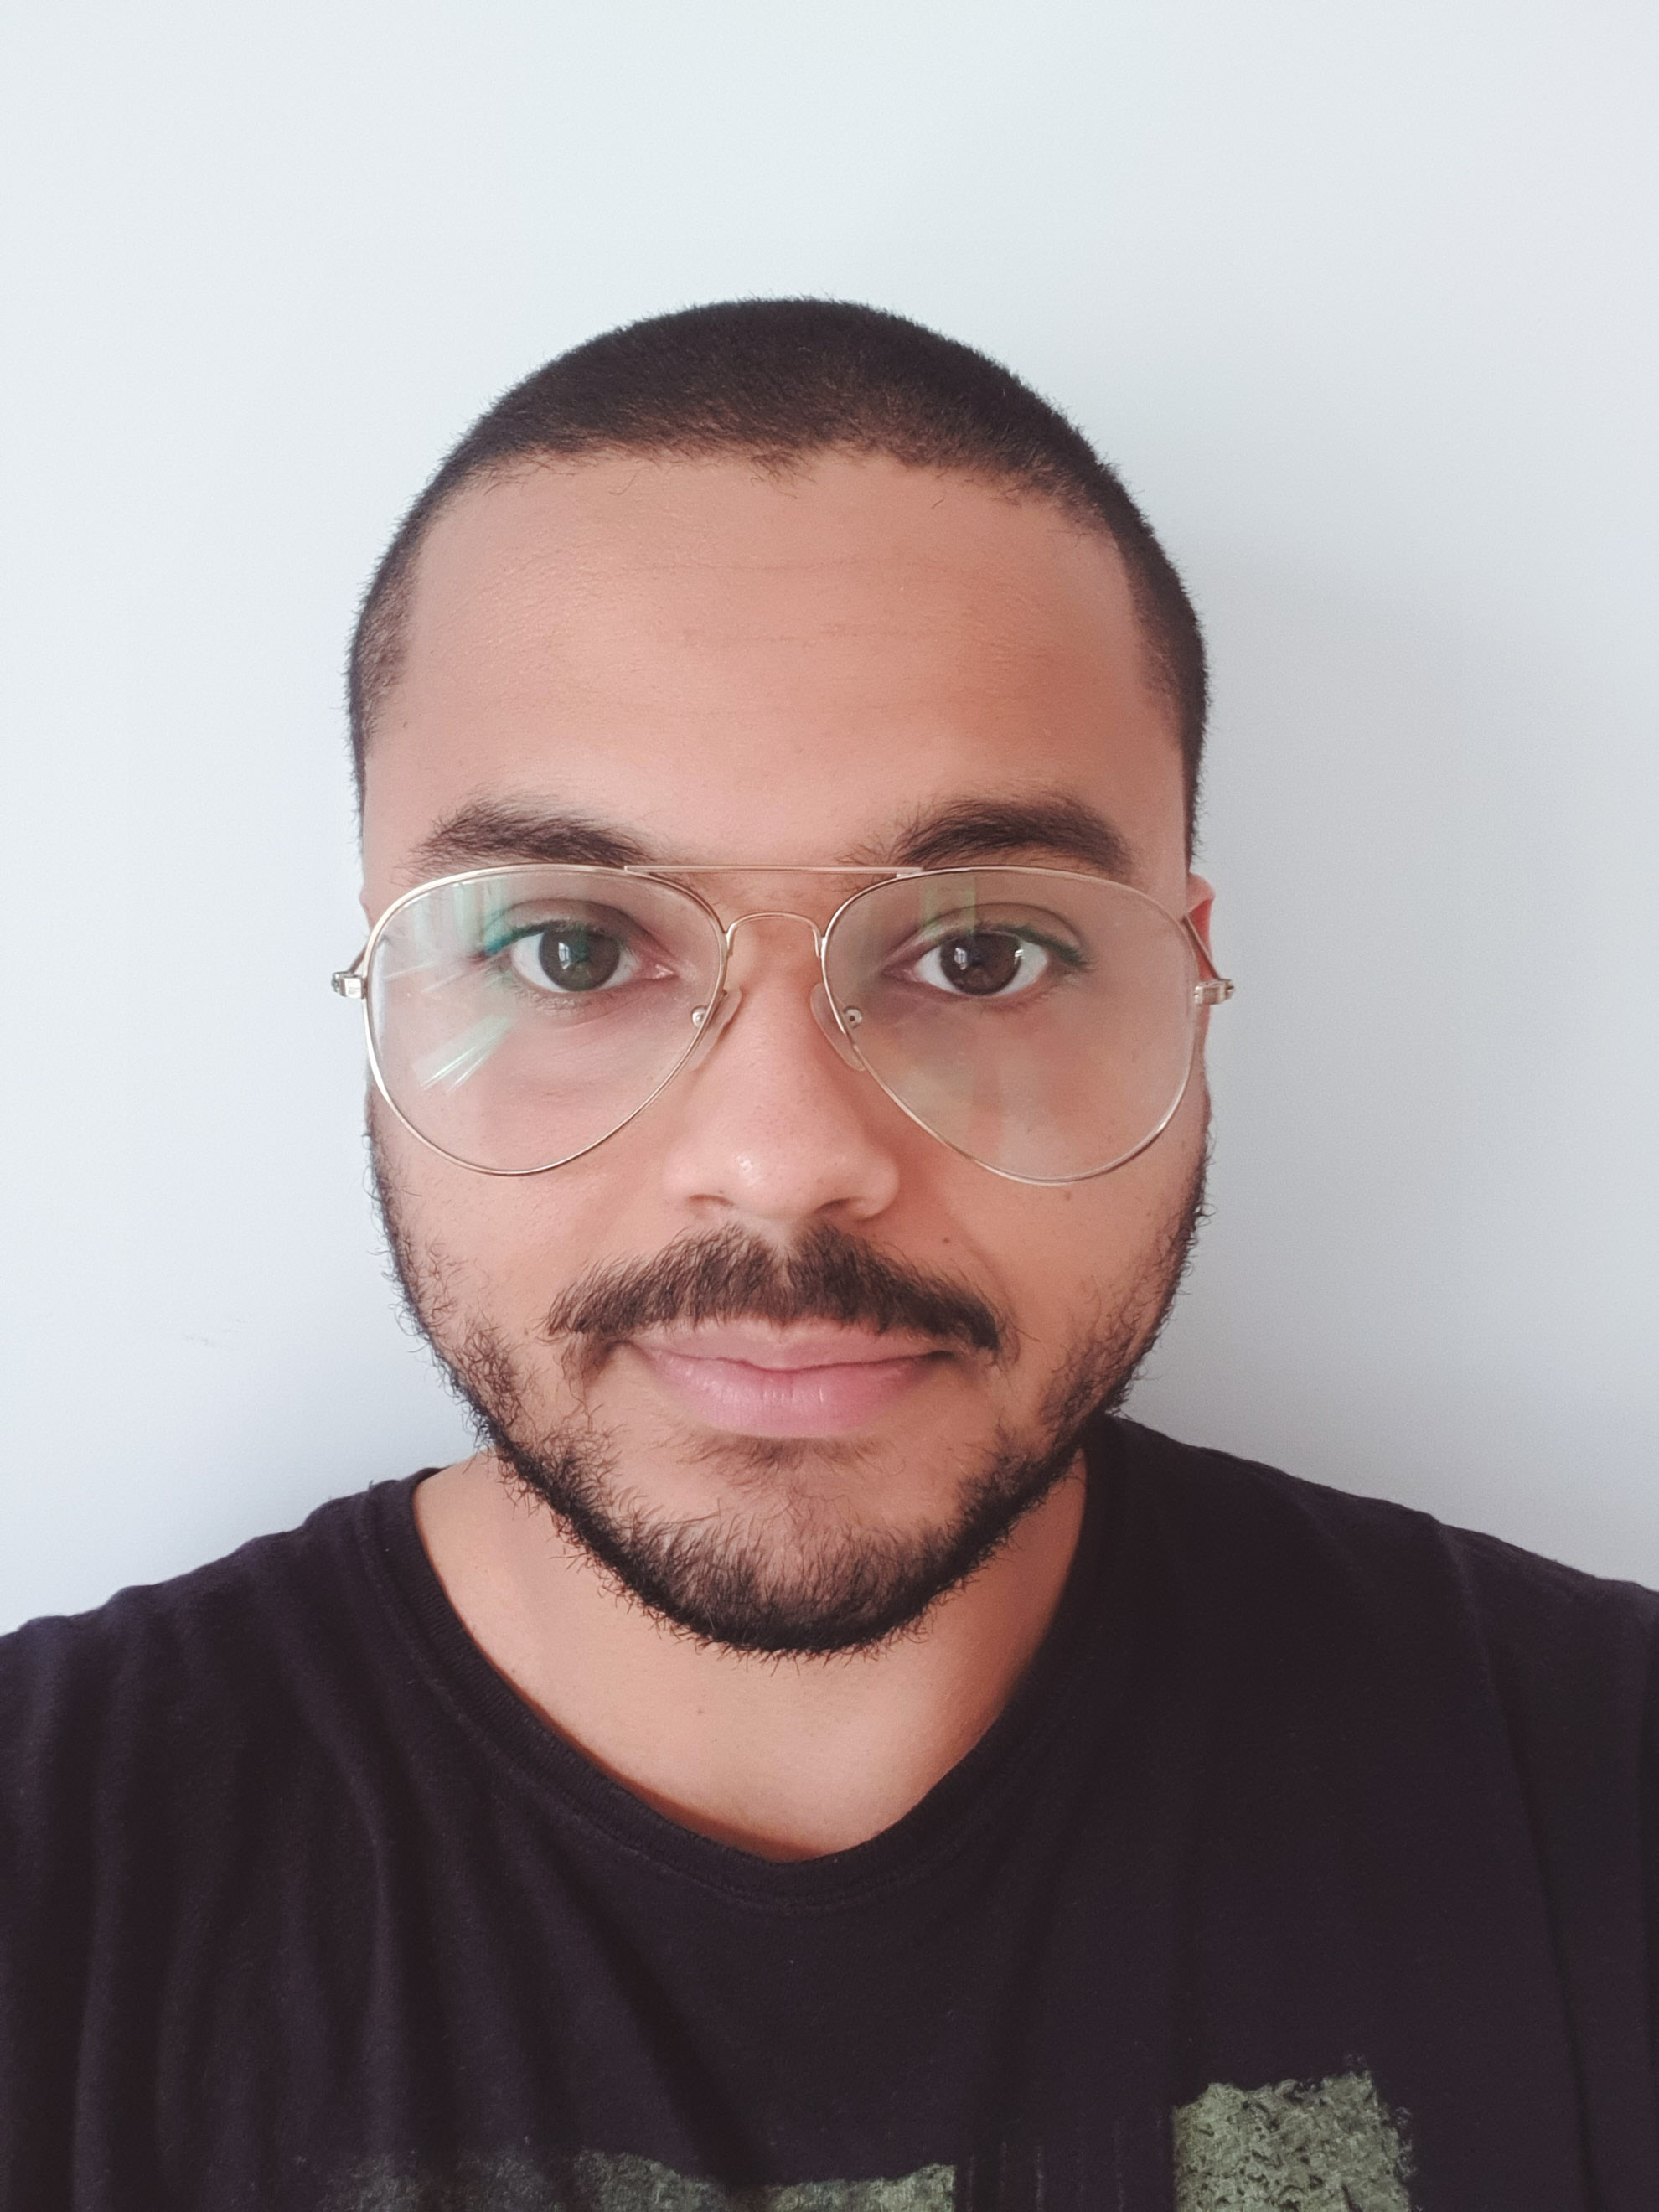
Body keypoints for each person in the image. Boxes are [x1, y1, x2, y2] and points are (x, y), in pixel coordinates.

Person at [1, 300, 1652, 2212]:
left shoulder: (1602, 1800)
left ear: (1191, 981)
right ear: (381, 967)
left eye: (982, 952)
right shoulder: (53, 1881)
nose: (785, 1164)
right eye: (572, 949)